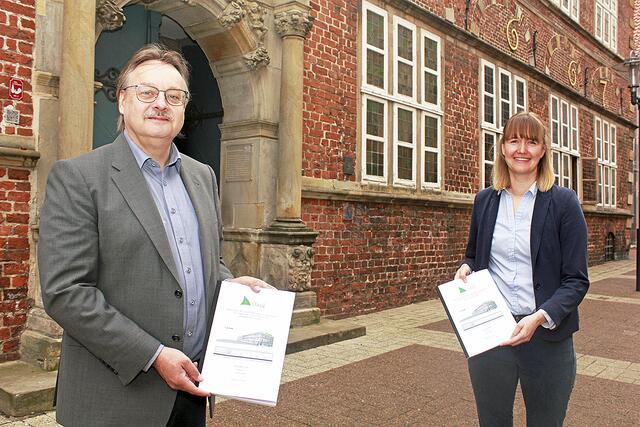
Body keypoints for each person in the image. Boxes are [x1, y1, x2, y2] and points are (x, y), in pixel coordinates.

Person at [38, 44, 272, 427]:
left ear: (184, 108)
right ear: (122, 101)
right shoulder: (79, 177)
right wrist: (154, 355)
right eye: (147, 92)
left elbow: (208, 264)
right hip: (115, 396)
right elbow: (67, 292)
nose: (160, 104)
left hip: (192, 389)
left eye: (174, 96)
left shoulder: (202, 176)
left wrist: (231, 289)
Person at [454, 111, 589, 426]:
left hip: (546, 338)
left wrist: (539, 318)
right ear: (502, 148)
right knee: (493, 421)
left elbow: (576, 280)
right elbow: (475, 255)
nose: (522, 149)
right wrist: (466, 267)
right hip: (491, 334)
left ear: (543, 150)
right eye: (514, 140)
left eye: (531, 142)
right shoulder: (485, 201)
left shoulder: (564, 202)